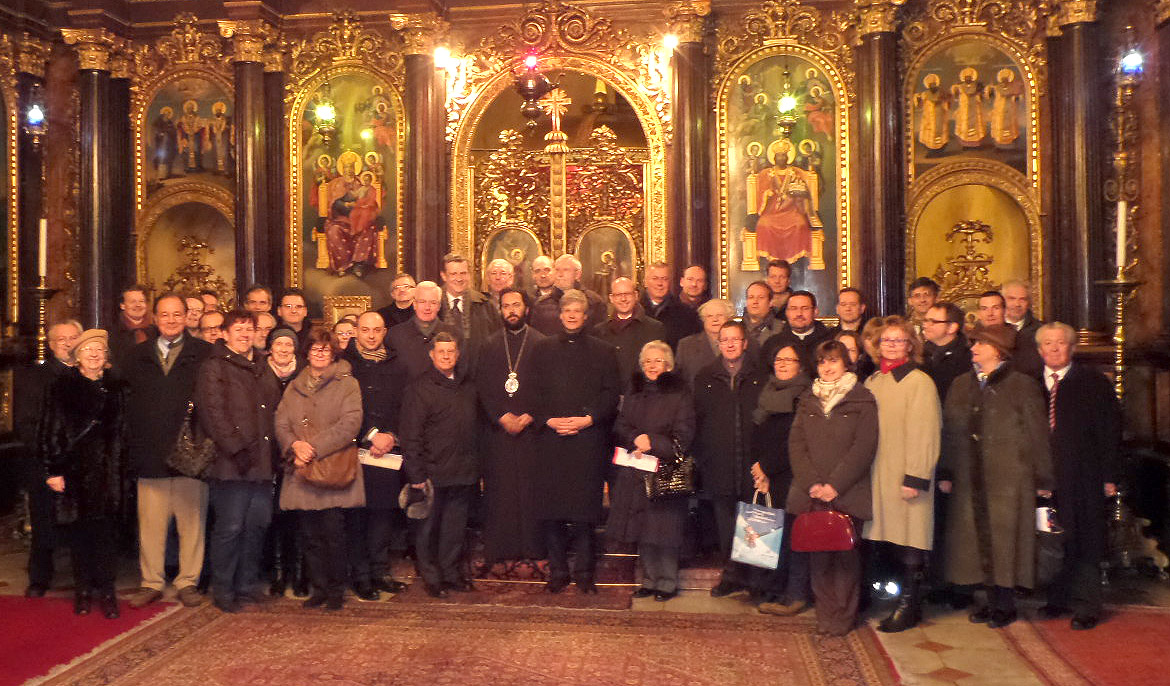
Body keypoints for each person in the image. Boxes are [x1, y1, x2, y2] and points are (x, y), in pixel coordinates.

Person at [939, 325, 1052, 628]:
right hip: (968, 475)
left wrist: (1044, 478)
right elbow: (949, 432)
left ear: (998, 350)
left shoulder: (1021, 385)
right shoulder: (961, 384)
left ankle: (1005, 603)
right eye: (973, 343)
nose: (973, 348)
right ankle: (988, 599)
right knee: (975, 540)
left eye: (980, 344)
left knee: (1005, 540)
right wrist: (947, 470)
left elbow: (1037, 433)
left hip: (1008, 477)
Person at [123, 294, 213, 610]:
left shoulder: (205, 354)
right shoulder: (136, 356)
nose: (171, 320)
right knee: (150, 528)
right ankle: (151, 582)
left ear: (187, 316)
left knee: (192, 526)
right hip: (149, 454)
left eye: (178, 314)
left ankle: (188, 581)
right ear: (155, 318)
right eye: (165, 314)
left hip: (190, 455)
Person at [530, 290, 621, 593]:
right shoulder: (542, 349)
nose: (571, 315)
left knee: (585, 513)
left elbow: (611, 394)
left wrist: (588, 420)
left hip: (587, 440)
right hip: (552, 440)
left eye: (577, 311)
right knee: (552, 511)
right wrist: (549, 419)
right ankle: (557, 572)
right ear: (560, 315)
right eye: (566, 310)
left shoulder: (604, 351)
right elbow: (533, 392)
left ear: (585, 316)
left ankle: (584, 573)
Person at [787, 340, 879, 636]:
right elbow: (796, 444)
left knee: (845, 560)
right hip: (812, 492)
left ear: (846, 364)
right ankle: (825, 616)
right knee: (819, 558)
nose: (827, 367)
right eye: (822, 362)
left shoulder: (862, 399)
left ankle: (842, 618)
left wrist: (834, 485)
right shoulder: (807, 400)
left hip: (848, 491)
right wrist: (813, 482)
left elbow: (864, 447)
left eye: (833, 361)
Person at [195, 310, 281, 613]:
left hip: (261, 464)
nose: (245, 334)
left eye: (250, 329)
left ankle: (246, 585)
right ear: (225, 334)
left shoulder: (261, 365)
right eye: (239, 329)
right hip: (231, 464)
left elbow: (272, 411)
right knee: (230, 527)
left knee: (256, 525)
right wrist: (236, 449)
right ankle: (224, 589)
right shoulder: (214, 366)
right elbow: (213, 413)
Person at [39, 329, 129, 619]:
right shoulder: (62, 387)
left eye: (99, 350)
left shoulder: (118, 388)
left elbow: (126, 433)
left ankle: (107, 592)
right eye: (88, 349)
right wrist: (54, 469)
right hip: (75, 473)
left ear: (106, 357)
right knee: (80, 538)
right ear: (77, 356)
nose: (94, 354)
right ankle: (83, 592)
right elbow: (50, 429)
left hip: (109, 474)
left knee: (106, 537)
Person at [1036, 322, 1120, 630]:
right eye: (1048, 343)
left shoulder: (1093, 382)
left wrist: (1109, 477)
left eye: (1061, 343)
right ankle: (1055, 598)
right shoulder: (1031, 383)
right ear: (1039, 349)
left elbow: (1110, 431)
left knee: (1085, 539)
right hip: (1044, 477)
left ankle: (1087, 605)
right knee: (1052, 538)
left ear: (1072, 348)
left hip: (1084, 475)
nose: (1055, 349)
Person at [275, 328, 364, 610]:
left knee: (334, 535)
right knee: (310, 536)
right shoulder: (295, 385)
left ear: (334, 352)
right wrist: (294, 446)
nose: (320, 353)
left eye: (325, 349)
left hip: (332, 469)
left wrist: (310, 449)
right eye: (315, 349)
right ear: (307, 352)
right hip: (302, 471)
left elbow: (350, 424)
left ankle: (336, 590)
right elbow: (281, 422)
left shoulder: (348, 383)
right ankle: (320, 588)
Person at [862, 316, 942, 633]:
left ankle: (910, 605)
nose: (892, 346)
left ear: (911, 345)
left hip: (906, 474)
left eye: (899, 340)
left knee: (911, 539)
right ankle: (887, 597)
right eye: (887, 341)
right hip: (877, 471)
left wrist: (916, 477)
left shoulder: (920, 382)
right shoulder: (874, 381)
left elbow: (926, 433)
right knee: (885, 538)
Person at [606, 341, 695, 601]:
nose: (652, 366)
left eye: (657, 361)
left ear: (668, 365)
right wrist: (636, 438)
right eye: (647, 361)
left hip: (665, 470)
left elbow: (685, 434)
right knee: (642, 530)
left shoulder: (680, 394)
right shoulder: (633, 392)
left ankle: (667, 582)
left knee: (664, 532)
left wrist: (653, 442)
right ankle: (648, 580)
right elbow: (620, 424)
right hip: (636, 469)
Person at [401, 333, 480, 597]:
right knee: (428, 530)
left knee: (454, 530)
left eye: (451, 352)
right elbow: (411, 435)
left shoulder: (468, 386)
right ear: (432, 355)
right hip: (431, 474)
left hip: (464, 471)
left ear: (458, 355)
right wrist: (416, 475)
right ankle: (432, 578)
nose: (446, 356)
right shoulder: (419, 388)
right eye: (441, 352)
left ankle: (451, 574)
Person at [695, 321, 768, 599]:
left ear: (745, 343)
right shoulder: (705, 377)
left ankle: (758, 582)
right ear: (719, 343)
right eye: (724, 340)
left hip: (754, 463)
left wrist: (765, 461)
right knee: (727, 527)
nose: (729, 344)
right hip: (719, 464)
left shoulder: (760, 376)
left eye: (735, 339)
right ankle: (733, 575)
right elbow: (698, 420)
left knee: (756, 523)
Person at [343, 311, 411, 597]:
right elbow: (343, 408)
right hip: (355, 450)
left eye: (377, 330)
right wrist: (371, 435)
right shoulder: (344, 364)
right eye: (365, 330)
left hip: (388, 452)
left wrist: (391, 436)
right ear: (356, 331)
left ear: (385, 332)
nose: (371, 335)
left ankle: (380, 571)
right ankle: (360, 576)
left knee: (383, 515)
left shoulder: (399, 365)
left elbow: (406, 407)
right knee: (358, 517)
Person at [476, 288, 546, 562]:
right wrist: (501, 416)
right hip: (499, 431)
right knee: (501, 489)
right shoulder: (489, 344)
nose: (511, 310)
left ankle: (533, 546)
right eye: (506, 306)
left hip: (531, 431)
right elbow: (482, 387)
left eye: (516, 305)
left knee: (531, 490)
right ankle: (501, 547)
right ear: (500, 310)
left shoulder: (541, 343)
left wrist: (530, 414)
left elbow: (547, 388)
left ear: (526, 309)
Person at [14, 320, 80, 597]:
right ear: (51, 345)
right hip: (44, 460)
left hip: (80, 463)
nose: (67, 343)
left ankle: (84, 578)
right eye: (61, 339)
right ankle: (39, 578)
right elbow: (26, 424)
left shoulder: (90, 375)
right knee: (43, 522)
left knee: (82, 524)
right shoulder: (33, 377)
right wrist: (50, 457)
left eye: (72, 337)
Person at [752, 345, 813, 616]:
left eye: (790, 359)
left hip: (792, 474)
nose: (783, 364)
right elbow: (759, 430)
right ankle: (772, 588)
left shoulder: (806, 395)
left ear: (801, 366)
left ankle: (795, 594)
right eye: (779, 359)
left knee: (792, 535)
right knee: (768, 533)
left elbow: (796, 439)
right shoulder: (768, 391)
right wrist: (758, 469)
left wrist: (767, 467)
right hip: (765, 475)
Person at [262, 328, 305, 597]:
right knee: (273, 517)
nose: (284, 348)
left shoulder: (304, 374)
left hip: (297, 453)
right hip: (266, 455)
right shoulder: (258, 373)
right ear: (270, 347)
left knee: (298, 516)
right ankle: (277, 573)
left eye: (289, 344)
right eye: (279, 343)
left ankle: (298, 573)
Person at [592, 276, 666, 386]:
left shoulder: (655, 328)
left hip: (643, 396)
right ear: (611, 298)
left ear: (636, 296)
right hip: (611, 396)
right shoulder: (599, 331)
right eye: (618, 295)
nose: (623, 299)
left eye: (627, 294)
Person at [387, 281, 458, 380]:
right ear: (414, 304)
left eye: (433, 302)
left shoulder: (455, 334)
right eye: (422, 302)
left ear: (439, 306)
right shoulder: (395, 335)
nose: (427, 307)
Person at [530, 254, 607, 335]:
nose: (560, 274)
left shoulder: (595, 302)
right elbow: (536, 337)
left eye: (565, 270)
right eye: (557, 270)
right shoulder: (541, 304)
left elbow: (601, 335)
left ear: (577, 274)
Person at [761, 290, 833, 372]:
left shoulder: (830, 342)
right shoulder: (772, 343)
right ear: (787, 313)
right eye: (793, 308)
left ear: (815, 312)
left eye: (805, 308)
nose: (799, 314)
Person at [639, 261, 701, 349]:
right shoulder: (635, 312)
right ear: (645, 282)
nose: (660, 283)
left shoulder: (687, 314)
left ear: (670, 282)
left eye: (664, 279)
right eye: (655, 278)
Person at [921, 302, 970, 401]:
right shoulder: (920, 354)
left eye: (933, 322)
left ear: (952, 327)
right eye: (925, 321)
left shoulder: (967, 358)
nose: (926, 326)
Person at [1002, 280, 1044, 379]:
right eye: (1011, 299)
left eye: (1022, 299)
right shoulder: (991, 329)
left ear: (1028, 303)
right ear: (1002, 301)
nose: (1017, 304)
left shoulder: (1041, 331)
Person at [111, 284, 157, 364]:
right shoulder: (112, 333)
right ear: (122, 306)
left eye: (141, 301)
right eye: (133, 302)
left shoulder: (158, 332)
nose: (138, 305)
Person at [743, 281, 784, 348]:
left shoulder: (781, 329)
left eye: (761, 297)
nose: (755, 301)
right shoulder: (736, 329)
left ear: (770, 302)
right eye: (751, 297)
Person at [277, 289, 312, 355]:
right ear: (279, 311)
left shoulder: (314, 337)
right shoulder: (271, 336)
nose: (293, 311)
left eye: (298, 307)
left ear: (305, 311)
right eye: (288, 306)